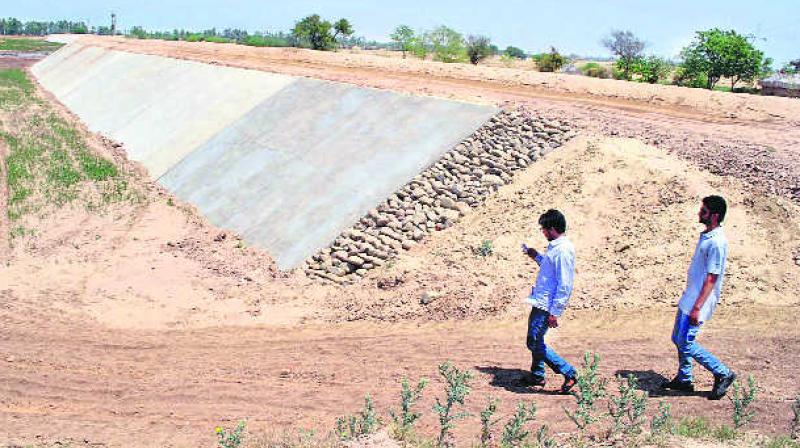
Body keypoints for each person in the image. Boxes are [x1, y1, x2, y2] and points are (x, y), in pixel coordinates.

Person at [662, 195, 736, 400]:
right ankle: (684, 379)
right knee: (677, 338)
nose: (699, 213)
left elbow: (712, 277)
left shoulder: (718, 242)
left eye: (703, 211)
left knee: (686, 342)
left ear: (714, 216)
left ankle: (722, 372)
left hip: (699, 302)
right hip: (690, 298)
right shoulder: (707, 236)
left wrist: (697, 307)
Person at [522, 209, 578, 394]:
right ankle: (537, 375)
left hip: (547, 305)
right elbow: (549, 269)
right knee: (536, 339)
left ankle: (568, 372)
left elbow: (565, 284)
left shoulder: (563, 250)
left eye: (543, 229)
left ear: (552, 228)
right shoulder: (555, 247)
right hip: (541, 301)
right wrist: (535, 255)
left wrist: (555, 311)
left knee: (534, 342)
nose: (543, 232)